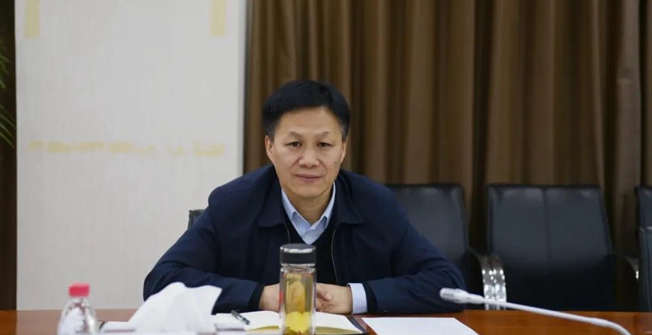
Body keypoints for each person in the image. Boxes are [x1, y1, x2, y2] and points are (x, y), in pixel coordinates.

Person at [143, 80, 466, 314]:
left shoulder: (376, 205)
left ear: (343, 149)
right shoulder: (234, 204)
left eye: (324, 145)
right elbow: (162, 282)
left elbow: (448, 284)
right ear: (270, 147)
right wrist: (262, 297)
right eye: (294, 144)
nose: (309, 160)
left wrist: (353, 297)